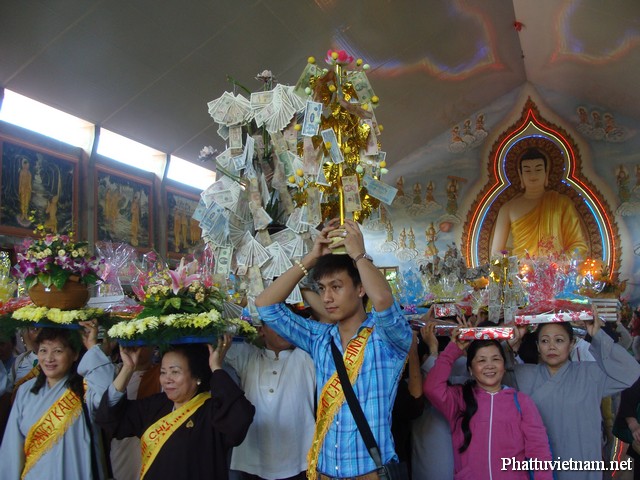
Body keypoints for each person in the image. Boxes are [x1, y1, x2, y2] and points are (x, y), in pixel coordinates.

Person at [255, 217, 413, 480]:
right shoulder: (320, 338)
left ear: (360, 288)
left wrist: (359, 255)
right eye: (322, 289)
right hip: (325, 472)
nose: (327, 298)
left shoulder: (385, 339)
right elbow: (266, 306)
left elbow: (383, 300)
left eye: (336, 287)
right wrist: (310, 259)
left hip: (370, 474)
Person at [95, 337, 255, 480]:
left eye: (175, 372)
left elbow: (240, 417)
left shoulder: (211, 411)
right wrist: (128, 368)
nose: (167, 379)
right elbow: (110, 419)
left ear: (197, 377)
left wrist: (216, 367)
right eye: (163, 372)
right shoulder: (155, 405)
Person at [508, 320, 640, 480]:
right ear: (537, 346)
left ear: (571, 344)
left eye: (559, 340)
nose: (551, 346)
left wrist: (598, 335)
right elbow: (491, 377)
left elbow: (630, 372)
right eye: (544, 341)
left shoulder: (590, 374)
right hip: (541, 469)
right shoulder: (523, 375)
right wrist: (508, 345)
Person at [424, 329, 553, 479]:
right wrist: (453, 351)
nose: (489, 365)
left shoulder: (522, 402)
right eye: (481, 360)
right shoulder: (460, 399)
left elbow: (539, 451)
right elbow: (432, 388)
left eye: (496, 359)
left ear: (504, 366)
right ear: (470, 370)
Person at [0, 322, 115, 479]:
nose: (49, 358)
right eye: (43, 350)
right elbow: (12, 448)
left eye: (58, 351)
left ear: (75, 354)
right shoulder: (26, 391)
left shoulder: (86, 387)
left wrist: (93, 348)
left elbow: (107, 398)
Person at [224, 322, 316, 480]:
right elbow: (221, 337)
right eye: (275, 322)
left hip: (299, 460)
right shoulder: (249, 357)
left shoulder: (305, 357)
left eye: (287, 322)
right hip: (253, 461)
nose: (284, 327)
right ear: (261, 330)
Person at [491, 147, 588, 258]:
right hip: (521, 268)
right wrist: (513, 266)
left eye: (538, 169)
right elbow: (495, 253)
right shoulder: (508, 208)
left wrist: (558, 263)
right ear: (520, 174)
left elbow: (579, 246)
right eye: (527, 170)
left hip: (556, 267)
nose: (533, 175)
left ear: (546, 172)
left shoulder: (562, 203)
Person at [108, 345, 161, 480]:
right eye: (132, 343)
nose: (136, 349)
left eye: (142, 344)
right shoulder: (113, 372)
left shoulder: (162, 375)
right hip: (121, 448)